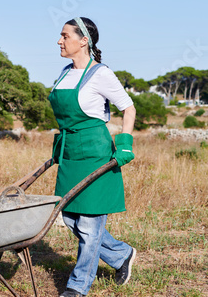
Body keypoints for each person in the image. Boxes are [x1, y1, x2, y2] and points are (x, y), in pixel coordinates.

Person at [48, 17, 137, 297]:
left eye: (65, 36)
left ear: (83, 40)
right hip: (71, 152)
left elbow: (128, 108)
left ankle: (78, 286)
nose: (59, 41)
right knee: (70, 218)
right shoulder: (64, 72)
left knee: (89, 224)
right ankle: (121, 254)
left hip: (95, 153)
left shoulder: (100, 74)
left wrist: (124, 145)